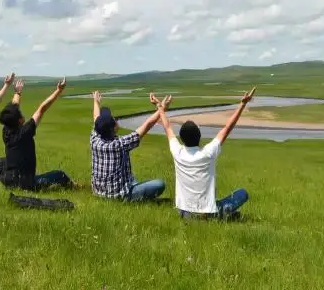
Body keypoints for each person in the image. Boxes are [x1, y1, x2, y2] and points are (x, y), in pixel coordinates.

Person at [155, 87, 256, 220]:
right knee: (242, 194)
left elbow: (167, 127)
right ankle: (224, 216)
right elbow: (227, 128)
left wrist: (160, 108)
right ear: (199, 136)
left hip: (184, 214)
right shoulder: (208, 153)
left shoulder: (177, 151)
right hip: (207, 214)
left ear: (182, 139)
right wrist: (242, 104)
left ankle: (227, 216)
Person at [0, 77, 76, 191]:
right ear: (19, 120)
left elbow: (13, 110)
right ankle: (76, 187)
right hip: (26, 184)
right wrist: (59, 90)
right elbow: (42, 109)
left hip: (9, 180)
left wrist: (18, 92)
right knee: (60, 175)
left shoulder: (6, 131)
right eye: (20, 114)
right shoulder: (25, 132)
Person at [89, 90, 169, 201]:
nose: (116, 120)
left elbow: (96, 118)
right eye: (114, 120)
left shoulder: (94, 139)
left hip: (99, 191)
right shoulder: (119, 144)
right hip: (119, 195)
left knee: (131, 177)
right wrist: (161, 108)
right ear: (114, 128)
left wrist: (96, 101)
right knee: (160, 184)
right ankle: (136, 197)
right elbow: (147, 125)